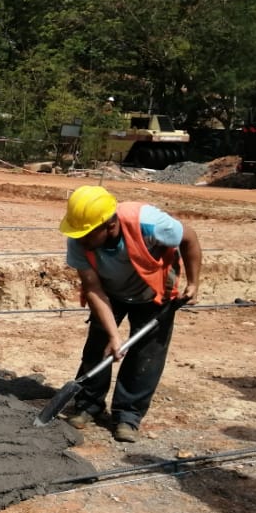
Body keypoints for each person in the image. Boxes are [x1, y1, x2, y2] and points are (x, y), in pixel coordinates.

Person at [58, 185, 202, 442]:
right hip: (110, 292)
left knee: (146, 354)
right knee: (98, 346)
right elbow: (93, 288)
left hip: (153, 291)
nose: (82, 240)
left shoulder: (150, 224)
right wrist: (114, 336)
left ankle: (128, 415)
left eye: (88, 235)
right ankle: (88, 404)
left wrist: (193, 283)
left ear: (110, 225)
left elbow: (189, 238)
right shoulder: (79, 238)